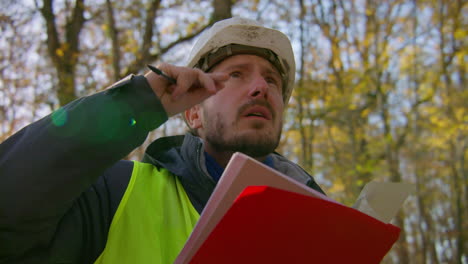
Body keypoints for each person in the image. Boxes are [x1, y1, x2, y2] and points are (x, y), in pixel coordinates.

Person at [0, 17, 324, 263]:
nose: (260, 88)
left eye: (271, 80)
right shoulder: (116, 194)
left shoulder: (323, 226)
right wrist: (133, 104)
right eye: (237, 74)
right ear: (194, 113)